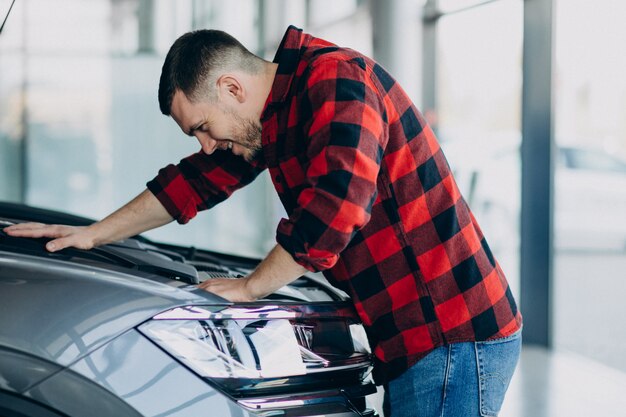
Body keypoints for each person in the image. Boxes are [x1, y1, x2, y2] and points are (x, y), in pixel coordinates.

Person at [4, 26, 522, 417]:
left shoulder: (337, 82)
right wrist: (92, 234)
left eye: (203, 128)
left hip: (452, 335)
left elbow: (336, 209)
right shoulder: (270, 116)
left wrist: (252, 287)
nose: (207, 145)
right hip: (412, 338)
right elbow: (192, 183)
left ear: (231, 88)